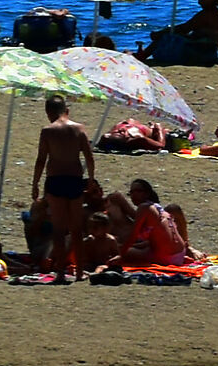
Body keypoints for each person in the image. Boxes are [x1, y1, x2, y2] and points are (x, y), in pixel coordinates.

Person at [27, 94, 93, 279]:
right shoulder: (79, 129)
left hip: (55, 179)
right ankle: (79, 271)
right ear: (66, 110)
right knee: (76, 228)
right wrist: (91, 178)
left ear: (48, 112)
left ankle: (61, 273)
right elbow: (89, 157)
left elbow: (41, 159)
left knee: (58, 228)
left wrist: (35, 183)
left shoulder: (48, 131)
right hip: (74, 179)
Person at [100, 177, 196, 268]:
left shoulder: (144, 208)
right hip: (179, 252)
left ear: (147, 193)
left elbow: (133, 235)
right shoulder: (156, 207)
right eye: (131, 192)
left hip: (167, 257)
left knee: (122, 250)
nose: (133, 195)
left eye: (138, 191)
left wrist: (120, 255)